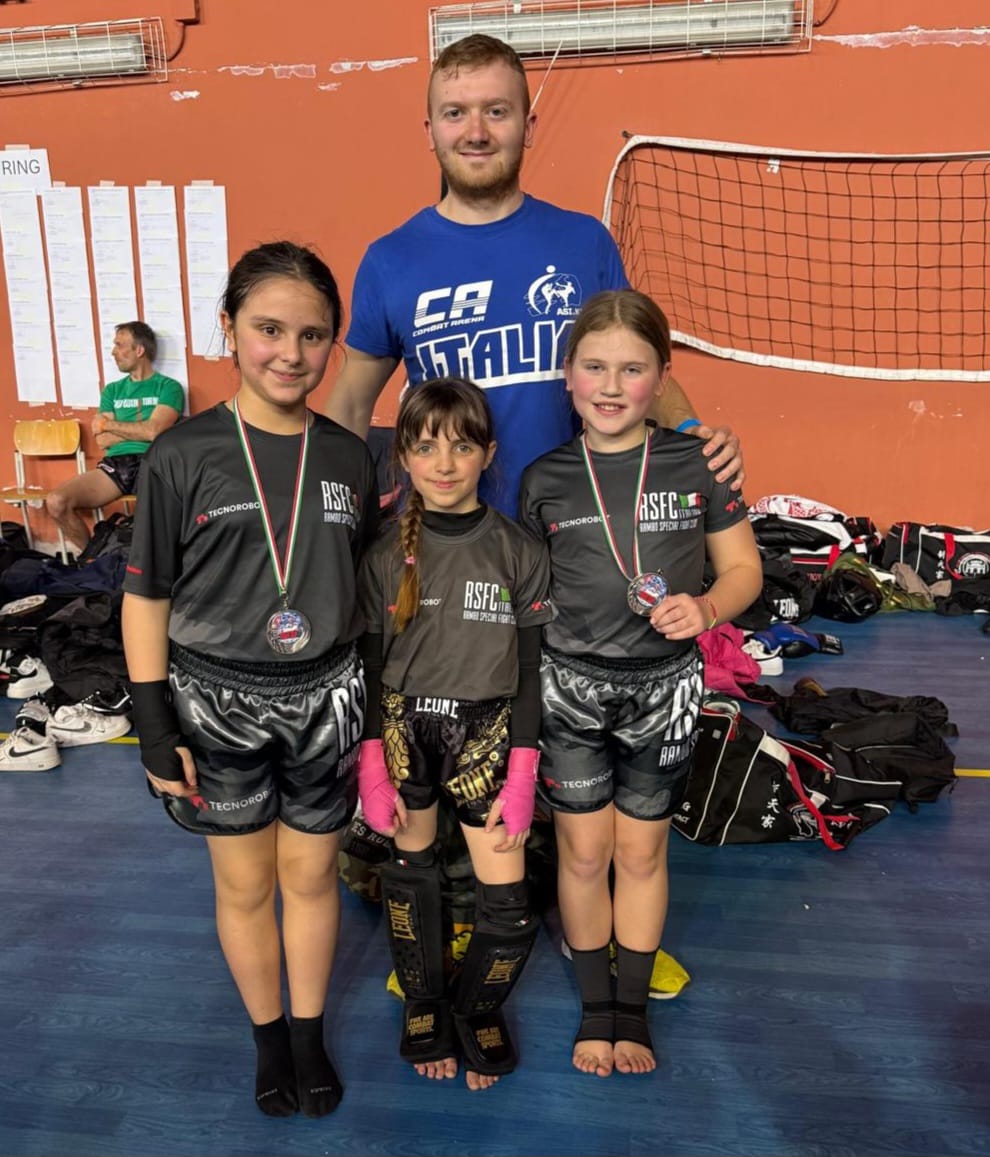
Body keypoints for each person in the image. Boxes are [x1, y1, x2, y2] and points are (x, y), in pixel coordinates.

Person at [120, 242, 379, 1118]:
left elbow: (361, 597)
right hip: (215, 700)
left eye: (313, 335)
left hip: (326, 695)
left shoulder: (349, 457)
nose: (290, 353)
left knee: (311, 877)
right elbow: (145, 599)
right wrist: (154, 727)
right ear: (229, 328)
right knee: (244, 885)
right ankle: (268, 1037)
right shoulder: (180, 454)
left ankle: (307, 1034)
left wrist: (372, 721)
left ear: (333, 342)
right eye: (269, 329)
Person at [325, 32, 744, 518]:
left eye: (496, 111)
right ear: (430, 130)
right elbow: (350, 407)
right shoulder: (390, 260)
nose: (476, 132)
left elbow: (635, 367)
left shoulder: (584, 242)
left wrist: (691, 431)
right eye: (455, 113)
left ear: (527, 127)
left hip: (571, 531)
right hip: (446, 541)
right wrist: (327, 516)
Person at [518, 290, 763, 1077]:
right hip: (570, 687)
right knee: (584, 853)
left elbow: (745, 568)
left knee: (643, 852)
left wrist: (708, 607)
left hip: (664, 688)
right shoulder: (543, 478)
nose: (612, 385)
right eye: (595, 367)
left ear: (662, 376)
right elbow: (529, 601)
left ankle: (633, 1009)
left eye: (632, 368)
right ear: (567, 375)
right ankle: (597, 1008)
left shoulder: (699, 464)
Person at [356, 377, 552, 1091]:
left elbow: (529, 669)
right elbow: (370, 665)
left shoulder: (517, 549)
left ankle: (478, 1007)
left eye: (463, 447)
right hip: (404, 733)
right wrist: (371, 762)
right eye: (426, 446)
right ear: (403, 455)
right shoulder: (384, 554)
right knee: (412, 884)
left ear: (488, 454)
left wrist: (523, 770)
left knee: (508, 904)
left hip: (488, 736)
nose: (444, 464)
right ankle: (426, 1005)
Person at [46, 322, 184, 551]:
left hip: (153, 461)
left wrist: (109, 425)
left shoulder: (168, 387)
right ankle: (93, 560)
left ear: (139, 350)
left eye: (119, 345)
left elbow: (154, 431)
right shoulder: (112, 390)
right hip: (116, 464)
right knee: (56, 502)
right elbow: (102, 440)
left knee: (157, 516)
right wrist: (140, 430)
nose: (113, 352)